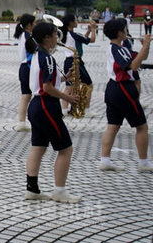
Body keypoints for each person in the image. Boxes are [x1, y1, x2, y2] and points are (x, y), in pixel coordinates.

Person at [24, 20, 81, 203]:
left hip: (36, 106)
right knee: (66, 148)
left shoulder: (38, 54)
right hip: (46, 106)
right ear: (47, 38)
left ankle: (32, 189)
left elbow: (45, 83)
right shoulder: (47, 57)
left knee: (38, 148)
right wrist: (68, 98)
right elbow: (47, 88)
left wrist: (65, 79)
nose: (58, 38)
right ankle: (60, 191)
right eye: (56, 34)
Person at [99, 19, 152, 172]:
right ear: (120, 33)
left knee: (113, 125)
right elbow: (133, 66)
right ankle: (144, 163)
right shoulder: (117, 49)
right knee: (142, 126)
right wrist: (147, 45)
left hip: (113, 89)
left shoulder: (121, 48)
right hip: (122, 88)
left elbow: (141, 59)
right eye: (125, 29)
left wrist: (144, 47)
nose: (127, 32)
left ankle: (105, 160)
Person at [59, 14, 97, 116]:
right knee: (88, 84)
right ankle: (87, 109)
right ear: (71, 23)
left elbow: (81, 39)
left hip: (68, 60)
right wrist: (93, 29)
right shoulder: (73, 34)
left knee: (69, 87)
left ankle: (64, 109)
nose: (77, 22)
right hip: (76, 61)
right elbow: (92, 40)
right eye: (75, 20)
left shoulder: (66, 34)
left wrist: (88, 31)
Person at [14, 14, 35, 131]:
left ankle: (21, 122)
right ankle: (23, 122)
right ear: (29, 25)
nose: (35, 25)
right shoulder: (28, 37)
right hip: (28, 67)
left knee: (26, 96)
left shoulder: (23, 35)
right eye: (34, 23)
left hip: (24, 68)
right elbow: (33, 54)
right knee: (28, 96)